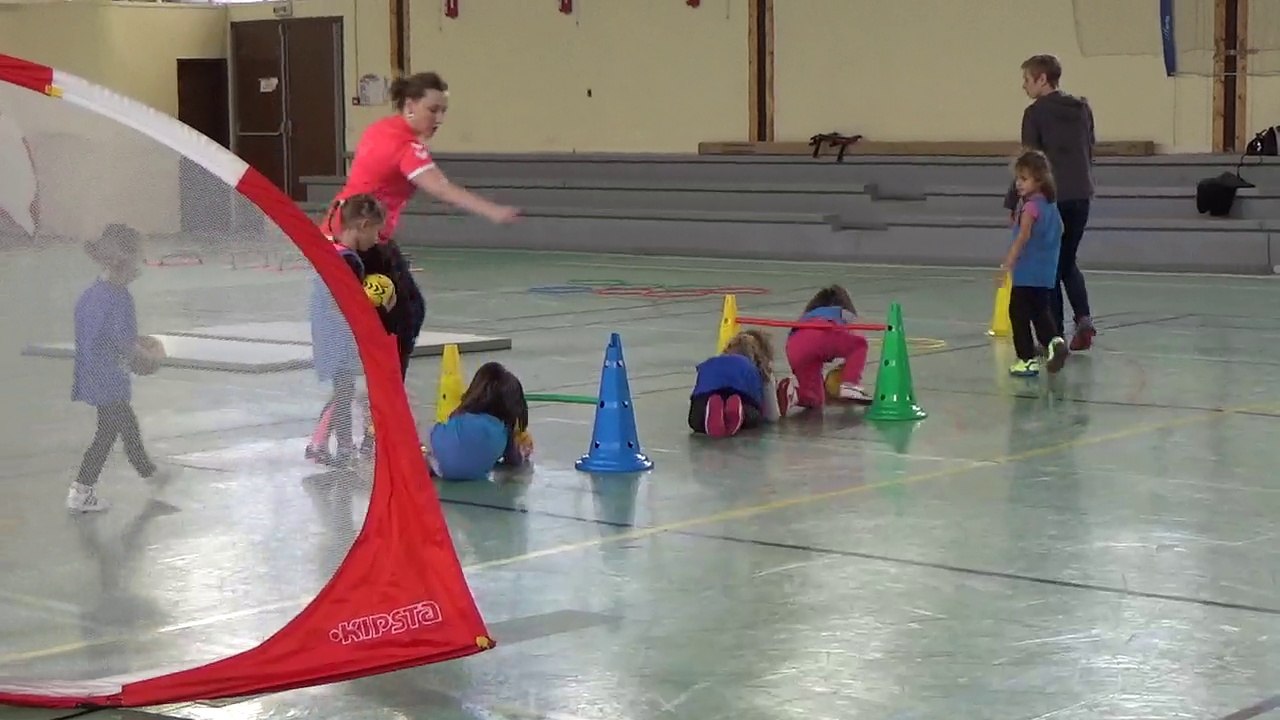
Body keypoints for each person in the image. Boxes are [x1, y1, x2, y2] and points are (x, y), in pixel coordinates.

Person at [322, 71, 520, 379]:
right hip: (361, 241)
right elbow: (441, 188)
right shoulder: (406, 146)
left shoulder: (379, 130)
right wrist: (492, 211)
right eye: (433, 110)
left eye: (443, 112)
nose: (439, 118)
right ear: (410, 105)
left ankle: (365, 392)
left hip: (339, 230)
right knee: (404, 314)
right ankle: (384, 396)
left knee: (396, 311)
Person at [68, 224, 170, 512]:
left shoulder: (92, 295)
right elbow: (123, 342)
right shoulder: (118, 298)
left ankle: (147, 474)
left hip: (93, 372)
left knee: (116, 428)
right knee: (116, 430)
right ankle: (84, 490)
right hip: (108, 376)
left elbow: (104, 335)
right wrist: (149, 356)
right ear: (126, 261)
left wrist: (138, 342)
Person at [1004, 53, 1097, 351]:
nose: (1024, 86)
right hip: (1081, 194)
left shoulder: (1035, 113)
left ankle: (1053, 336)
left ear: (1042, 79)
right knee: (1067, 260)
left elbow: (1029, 161)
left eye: (1027, 80)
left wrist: (1012, 201)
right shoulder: (1082, 108)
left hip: (1052, 197)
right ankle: (1083, 317)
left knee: (1050, 266)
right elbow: (1090, 147)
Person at [306, 194, 390, 467]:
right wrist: (378, 305)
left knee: (343, 391)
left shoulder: (331, 253)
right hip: (340, 337)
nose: (376, 240)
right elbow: (344, 301)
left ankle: (327, 444)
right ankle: (340, 448)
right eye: (375, 232)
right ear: (363, 225)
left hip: (328, 335)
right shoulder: (349, 261)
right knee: (344, 393)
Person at [1001, 150, 1068, 377]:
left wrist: (1008, 262)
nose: (1018, 183)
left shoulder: (1030, 207)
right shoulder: (1050, 206)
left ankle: (1026, 359)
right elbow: (1061, 230)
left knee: (1017, 313)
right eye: (1018, 178)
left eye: (1024, 179)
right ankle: (1054, 341)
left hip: (1026, 271)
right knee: (1040, 311)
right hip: (1045, 272)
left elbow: (1023, 236)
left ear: (1038, 180)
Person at [426, 362, 532, 481]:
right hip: (465, 474)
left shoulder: (461, 415)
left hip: (436, 460)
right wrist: (522, 451)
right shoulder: (503, 431)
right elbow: (513, 460)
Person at [775, 284, 872, 412]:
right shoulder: (841, 311)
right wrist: (848, 367)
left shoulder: (808, 316)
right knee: (859, 345)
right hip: (820, 335)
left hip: (794, 345)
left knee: (814, 399)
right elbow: (857, 333)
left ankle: (793, 394)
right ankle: (850, 385)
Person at [689, 329, 781, 438]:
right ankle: (738, 412)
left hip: (703, 401)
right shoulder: (759, 368)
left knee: (696, 420)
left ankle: (709, 412)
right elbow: (771, 416)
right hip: (742, 397)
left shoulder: (713, 362)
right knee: (753, 416)